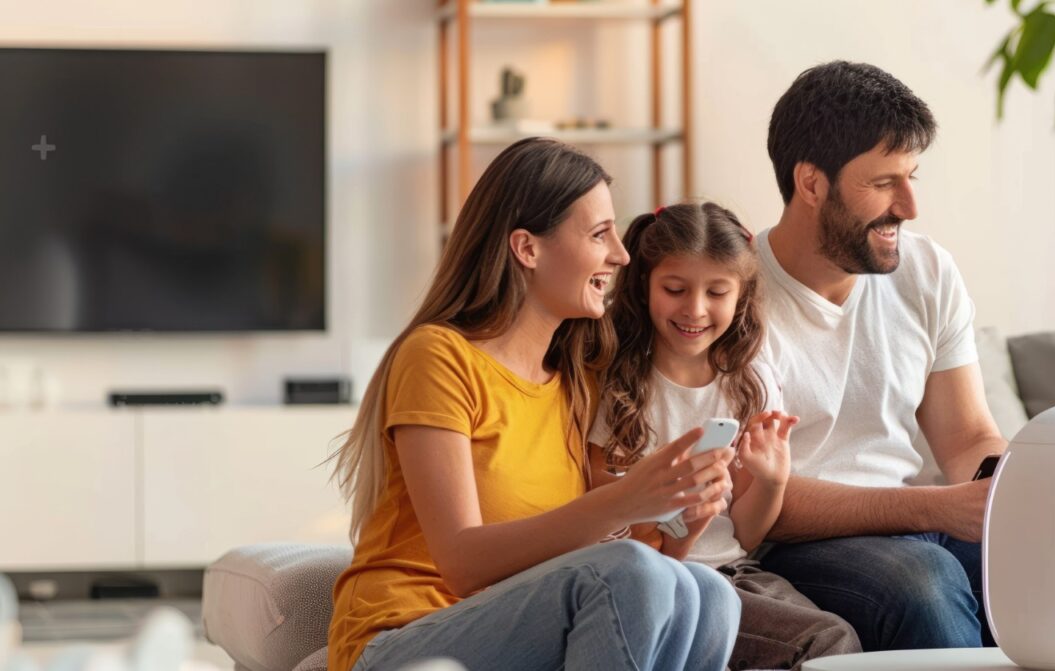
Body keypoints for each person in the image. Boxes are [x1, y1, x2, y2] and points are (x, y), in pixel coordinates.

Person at [325, 138, 740, 671]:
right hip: (401, 637)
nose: (621, 255)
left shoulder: (575, 382)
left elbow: (638, 587)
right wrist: (622, 500)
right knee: (629, 570)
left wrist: (682, 520)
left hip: (518, 630)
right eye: (599, 234)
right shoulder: (438, 356)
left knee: (711, 593)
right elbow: (463, 564)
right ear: (527, 248)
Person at [751, 61, 1009, 651]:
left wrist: (1007, 487)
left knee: (1041, 552)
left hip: (914, 525)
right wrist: (934, 509)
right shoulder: (730, 299)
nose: (910, 206)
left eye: (912, 176)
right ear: (811, 184)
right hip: (792, 542)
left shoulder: (927, 270)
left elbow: (968, 439)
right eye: (885, 182)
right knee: (924, 581)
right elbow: (762, 500)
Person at [589, 202, 861, 670]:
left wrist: (771, 480)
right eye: (675, 289)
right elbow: (604, 516)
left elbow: (746, 533)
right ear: (644, 285)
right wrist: (681, 519)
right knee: (826, 641)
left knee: (841, 638)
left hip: (737, 571)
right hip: (659, 577)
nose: (695, 309)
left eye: (717, 292)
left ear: (741, 295)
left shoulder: (751, 381)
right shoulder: (616, 380)